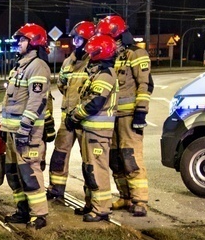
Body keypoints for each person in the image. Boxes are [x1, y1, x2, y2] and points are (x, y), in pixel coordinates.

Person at [95, 14, 153, 217]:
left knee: (131, 158)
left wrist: (140, 113)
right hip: (112, 117)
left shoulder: (137, 54)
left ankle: (140, 200)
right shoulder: (112, 55)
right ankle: (125, 196)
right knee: (115, 159)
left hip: (129, 117)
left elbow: (145, 85)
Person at [0, 23, 52, 230]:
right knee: (14, 172)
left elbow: (36, 101)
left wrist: (25, 128)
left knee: (29, 172)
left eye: (22, 40)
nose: (18, 43)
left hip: (26, 132)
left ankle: (39, 215)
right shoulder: (20, 66)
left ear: (34, 41)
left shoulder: (37, 66)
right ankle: (23, 210)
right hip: (13, 131)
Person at [64, 34, 119, 221]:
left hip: (98, 132)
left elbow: (94, 103)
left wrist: (75, 116)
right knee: (89, 169)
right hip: (90, 130)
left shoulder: (105, 74)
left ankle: (102, 208)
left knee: (97, 170)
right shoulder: (97, 72)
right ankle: (91, 204)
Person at [47, 20, 95, 200]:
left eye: (78, 39)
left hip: (85, 118)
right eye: (74, 39)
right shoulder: (69, 60)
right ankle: (55, 190)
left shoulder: (93, 62)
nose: (75, 43)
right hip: (67, 116)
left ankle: (91, 197)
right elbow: (61, 84)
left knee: (89, 159)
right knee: (59, 153)